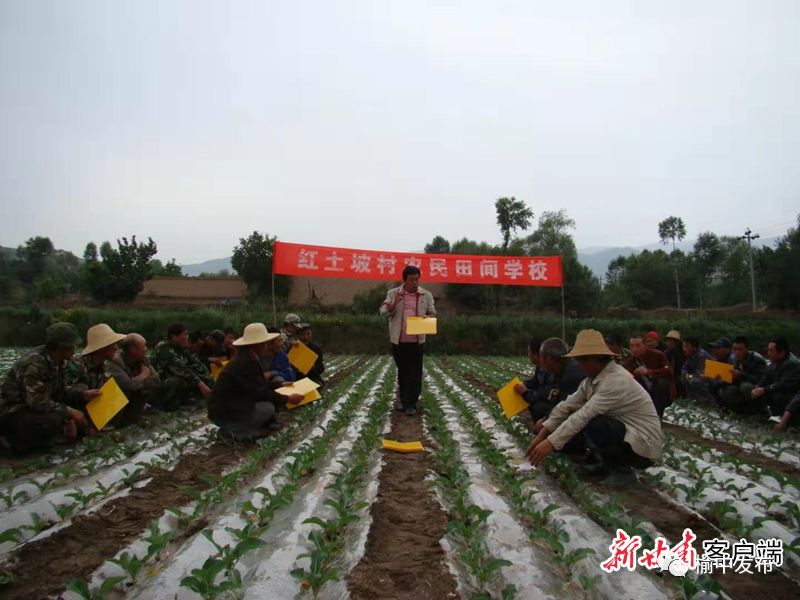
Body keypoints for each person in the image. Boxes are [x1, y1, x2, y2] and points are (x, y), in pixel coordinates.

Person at [526, 329, 664, 486]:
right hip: (628, 436)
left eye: (580, 361)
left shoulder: (615, 381)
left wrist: (550, 443)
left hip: (644, 446)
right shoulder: (591, 380)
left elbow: (584, 415)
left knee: (592, 422)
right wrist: (543, 432)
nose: (578, 365)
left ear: (593, 359)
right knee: (583, 417)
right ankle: (606, 465)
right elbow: (567, 405)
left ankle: (623, 472)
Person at [0, 323, 96, 453]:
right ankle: (12, 442)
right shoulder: (34, 363)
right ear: (60, 347)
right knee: (52, 421)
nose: (74, 349)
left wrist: (82, 395)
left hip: (36, 408)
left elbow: (59, 393)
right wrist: (68, 413)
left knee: (76, 409)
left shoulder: (60, 363)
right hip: (15, 411)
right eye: (71, 346)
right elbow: (37, 401)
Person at [208, 323, 304, 443]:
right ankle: (232, 432)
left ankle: (239, 429)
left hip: (226, 407)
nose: (266, 346)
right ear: (257, 345)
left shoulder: (247, 359)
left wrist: (279, 385)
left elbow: (257, 384)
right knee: (267, 408)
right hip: (223, 412)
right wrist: (287, 399)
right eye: (264, 343)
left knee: (266, 404)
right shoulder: (245, 363)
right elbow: (259, 392)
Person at [379, 265, 437, 416]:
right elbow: (383, 312)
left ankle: (411, 403)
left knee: (415, 372)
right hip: (398, 340)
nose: (415, 282)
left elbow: (433, 314)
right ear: (404, 280)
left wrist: (428, 318)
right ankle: (404, 400)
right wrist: (394, 303)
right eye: (411, 279)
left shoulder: (426, 295)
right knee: (403, 371)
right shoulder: (393, 293)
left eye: (417, 279)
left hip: (417, 340)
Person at [150, 323, 215, 410]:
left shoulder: (182, 348)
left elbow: (198, 365)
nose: (187, 337)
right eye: (184, 335)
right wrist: (201, 385)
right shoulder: (164, 348)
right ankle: (169, 405)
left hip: (179, 378)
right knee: (178, 381)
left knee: (205, 378)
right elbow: (181, 370)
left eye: (187, 334)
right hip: (161, 384)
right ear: (174, 336)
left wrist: (207, 377)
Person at [107, 333, 162, 427]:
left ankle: (130, 421)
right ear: (133, 350)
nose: (146, 349)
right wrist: (143, 376)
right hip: (113, 404)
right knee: (125, 391)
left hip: (133, 398)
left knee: (143, 391)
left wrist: (136, 383)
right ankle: (114, 424)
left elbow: (156, 381)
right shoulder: (116, 361)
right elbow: (127, 385)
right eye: (143, 346)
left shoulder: (143, 359)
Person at [526, 337, 583, 426]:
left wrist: (545, 421)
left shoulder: (571, 375)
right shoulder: (561, 370)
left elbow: (565, 407)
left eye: (541, 358)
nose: (540, 363)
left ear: (549, 359)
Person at [65, 323, 127, 397]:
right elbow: (64, 391)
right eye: (113, 344)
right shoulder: (77, 364)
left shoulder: (104, 367)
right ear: (103, 347)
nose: (116, 347)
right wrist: (82, 393)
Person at [624, 334, 672, 417]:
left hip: (659, 388)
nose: (634, 349)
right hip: (642, 391)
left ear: (644, 345)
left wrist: (649, 372)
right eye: (631, 346)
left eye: (638, 346)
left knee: (661, 384)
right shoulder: (630, 362)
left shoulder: (657, 355)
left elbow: (668, 371)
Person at [751, 337, 800, 417]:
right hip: (781, 390)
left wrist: (764, 389)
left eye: (771, 351)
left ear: (782, 353)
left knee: (777, 396)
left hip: (792, 395)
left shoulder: (791, 364)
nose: (768, 353)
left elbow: (782, 384)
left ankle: (783, 417)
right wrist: (757, 387)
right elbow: (767, 377)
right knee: (755, 390)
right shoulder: (775, 361)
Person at [718, 336, 768, 415]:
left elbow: (760, 379)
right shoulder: (733, 359)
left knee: (745, 387)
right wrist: (723, 379)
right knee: (725, 391)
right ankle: (739, 410)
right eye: (735, 349)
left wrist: (741, 375)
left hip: (759, 388)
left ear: (747, 349)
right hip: (740, 385)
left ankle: (759, 410)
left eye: (740, 349)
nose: (737, 352)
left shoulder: (757, 359)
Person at [513, 337, 551, 420]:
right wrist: (524, 384)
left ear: (536, 354)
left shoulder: (550, 370)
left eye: (529, 352)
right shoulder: (539, 367)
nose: (528, 355)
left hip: (549, 407)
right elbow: (535, 381)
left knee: (538, 406)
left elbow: (543, 395)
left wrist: (525, 392)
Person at [681, 336, 714, 404]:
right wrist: (686, 374)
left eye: (687, 347)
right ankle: (692, 399)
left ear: (694, 348)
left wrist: (689, 376)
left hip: (710, 379)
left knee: (694, 381)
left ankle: (708, 402)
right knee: (684, 377)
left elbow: (700, 374)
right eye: (683, 346)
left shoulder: (701, 356)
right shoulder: (690, 356)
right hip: (697, 376)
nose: (684, 349)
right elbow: (684, 368)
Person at [664, 330, 685, 400]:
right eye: (667, 341)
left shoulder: (681, 353)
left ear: (676, 343)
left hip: (679, 374)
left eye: (670, 341)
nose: (668, 343)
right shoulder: (667, 353)